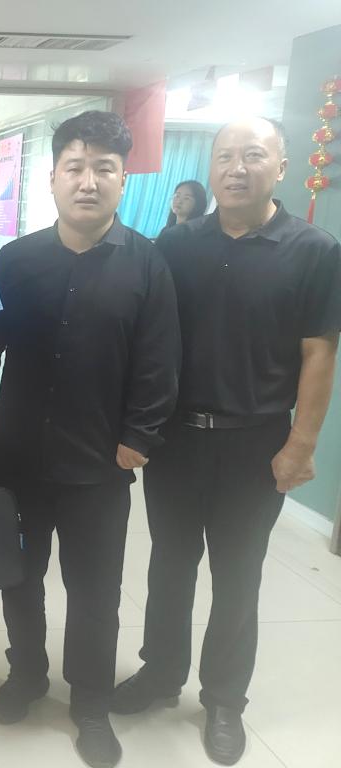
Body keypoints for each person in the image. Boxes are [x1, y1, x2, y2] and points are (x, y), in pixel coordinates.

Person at [113, 117, 341, 766]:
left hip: (256, 444)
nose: (237, 168)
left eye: (253, 155)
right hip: (177, 441)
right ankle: (161, 674)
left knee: (238, 577)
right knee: (169, 566)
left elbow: (320, 353)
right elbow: (150, 342)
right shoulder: (176, 244)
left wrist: (301, 444)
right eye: (226, 156)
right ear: (210, 168)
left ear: (282, 167)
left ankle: (223, 699)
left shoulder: (313, 250)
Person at [0, 111, 181, 768]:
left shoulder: (147, 264)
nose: (88, 181)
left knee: (95, 591)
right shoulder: (16, 261)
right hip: (16, 458)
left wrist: (139, 438)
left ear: (123, 179)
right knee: (19, 577)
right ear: (53, 178)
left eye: (104, 169)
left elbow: (160, 361)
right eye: (75, 167)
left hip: (100, 464)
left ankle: (90, 700)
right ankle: (27, 673)